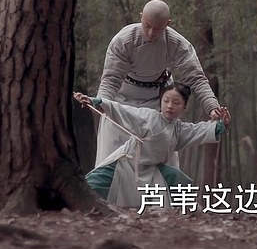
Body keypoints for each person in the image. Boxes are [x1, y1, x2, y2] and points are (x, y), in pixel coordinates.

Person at [93, 0, 222, 166]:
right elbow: (111, 78)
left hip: (159, 99)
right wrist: (101, 102)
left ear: (168, 24)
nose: (151, 33)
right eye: (147, 25)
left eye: (158, 28)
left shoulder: (177, 43)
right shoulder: (123, 40)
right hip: (122, 98)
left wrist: (212, 106)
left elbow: (196, 78)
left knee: (163, 148)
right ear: (141, 17)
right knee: (111, 154)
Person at [74, 83, 230, 206]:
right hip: (126, 164)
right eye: (166, 101)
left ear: (184, 107)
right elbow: (121, 110)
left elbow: (201, 130)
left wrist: (221, 124)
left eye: (176, 102)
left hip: (153, 171)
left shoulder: (179, 129)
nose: (170, 106)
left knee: (179, 181)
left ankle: (189, 216)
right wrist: (95, 101)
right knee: (89, 185)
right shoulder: (148, 117)